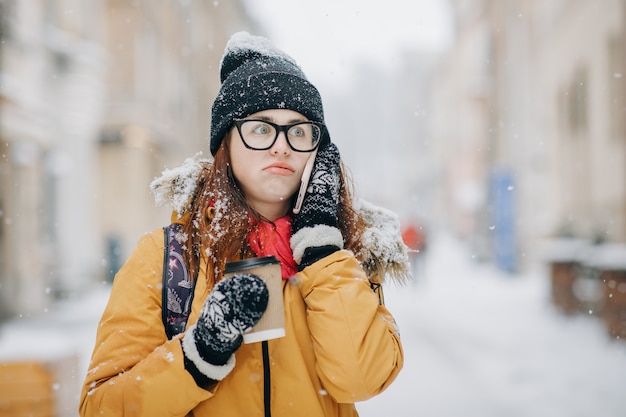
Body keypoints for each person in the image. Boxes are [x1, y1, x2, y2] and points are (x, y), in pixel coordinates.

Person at [79, 32, 408, 417]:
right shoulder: (169, 258)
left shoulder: (347, 256)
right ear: (226, 145)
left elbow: (361, 380)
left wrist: (321, 250)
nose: (282, 146)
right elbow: (100, 407)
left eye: (299, 131)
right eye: (261, 128)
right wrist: (198, 354)